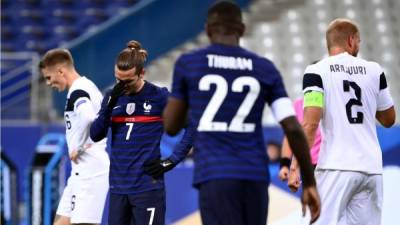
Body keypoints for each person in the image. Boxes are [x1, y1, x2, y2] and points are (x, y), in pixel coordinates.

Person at [162, 1, 321, 225]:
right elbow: (293, 128)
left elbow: (171, 126)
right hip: (254, 175)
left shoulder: (190, 64)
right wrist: (311, 183)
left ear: (207, 29)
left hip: (215, 175)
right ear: (242, 29)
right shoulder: (264, 67)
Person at [302, 18, 396, 225]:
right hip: (371, 169)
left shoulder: (316, 71)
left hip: (336, 166)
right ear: (352, 40)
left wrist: (295, 166)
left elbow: (310, 123)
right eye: (359, 42)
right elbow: (389, 119)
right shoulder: (374, 70)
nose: (359, 46)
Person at [90, 40, 193, 225]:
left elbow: (193, 125)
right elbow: (96, 134)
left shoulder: (159, 97)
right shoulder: (112, 97)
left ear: (142, 73)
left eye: (128, 81)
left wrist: (172, 160)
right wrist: (109, 105)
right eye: (118, 80)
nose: (122, 86)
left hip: (147, 188)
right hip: (118, 188)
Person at [39, 49, 109, 225]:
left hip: (91, 170)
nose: (48, 83)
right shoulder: (85, 87)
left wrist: (80, 147)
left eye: (48, 77)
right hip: (80, 172)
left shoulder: (79, 91)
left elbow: (88, 118)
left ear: (61, 71)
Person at [278, 98, 321, 192]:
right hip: (309, 165)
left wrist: (294, 167)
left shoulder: (334, 100)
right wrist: (285, 164)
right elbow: (291, 135)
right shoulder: (299, 103)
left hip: (330, 164)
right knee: (313, 203)